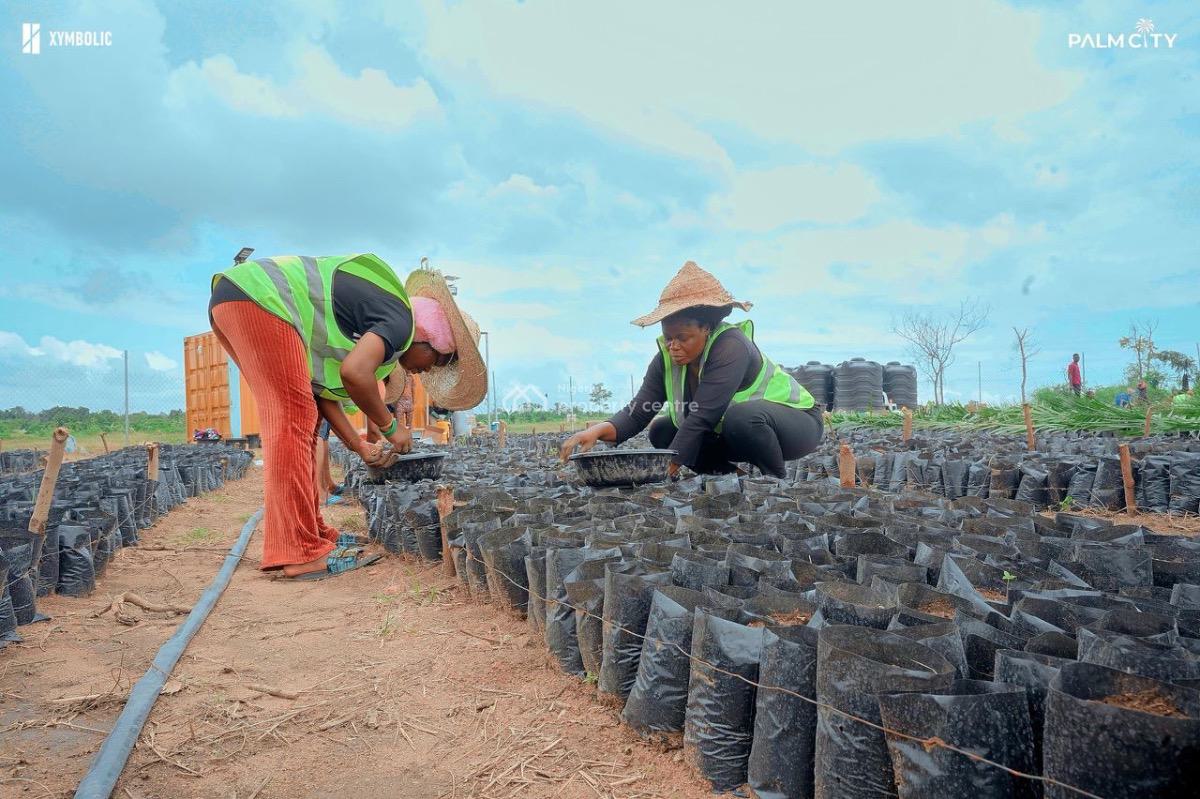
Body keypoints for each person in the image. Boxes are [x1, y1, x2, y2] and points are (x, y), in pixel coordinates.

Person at [209, 255, 486, 580]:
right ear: (430, 337)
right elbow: (355, 374)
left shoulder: (371, 325)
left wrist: (358, 445)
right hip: (260, 297)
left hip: (242, 297)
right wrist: (390, 428)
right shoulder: (401, 322)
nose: (425, 371)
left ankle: (313, 534)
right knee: (292, 420)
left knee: (304, 418)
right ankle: (298, 553)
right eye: (436, 362)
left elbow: (321, 396)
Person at [559, 261, 822, 479]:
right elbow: (638, 412)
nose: (673, 346)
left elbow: (703, 417)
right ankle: (730, 477)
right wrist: (596, 431)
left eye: (682, 338)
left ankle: (774, 481)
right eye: (668, 338)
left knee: (741, 417)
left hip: (796, 427)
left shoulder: (731, 346)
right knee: (662, 430)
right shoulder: (666, 359)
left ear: (706, 328)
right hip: (737, 433)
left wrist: (663, 473)